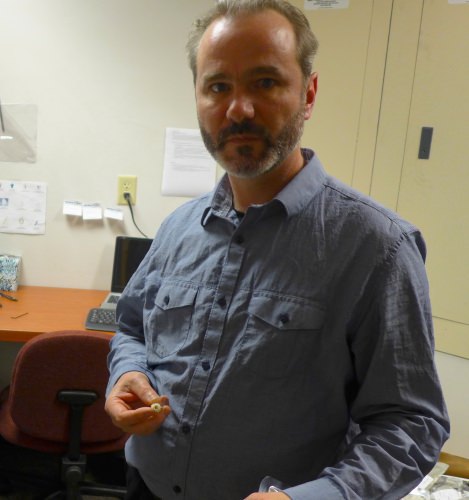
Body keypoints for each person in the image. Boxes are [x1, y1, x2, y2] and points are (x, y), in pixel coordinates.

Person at [105, 1, 450, 499]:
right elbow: (131, 325)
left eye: (265, 83)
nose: (238, 109)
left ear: (308, 94)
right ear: (198, 95)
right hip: (146, 487)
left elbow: (411, 426)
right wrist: (129, 373)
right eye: (218, 86)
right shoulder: (179, 227)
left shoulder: (378, 248)